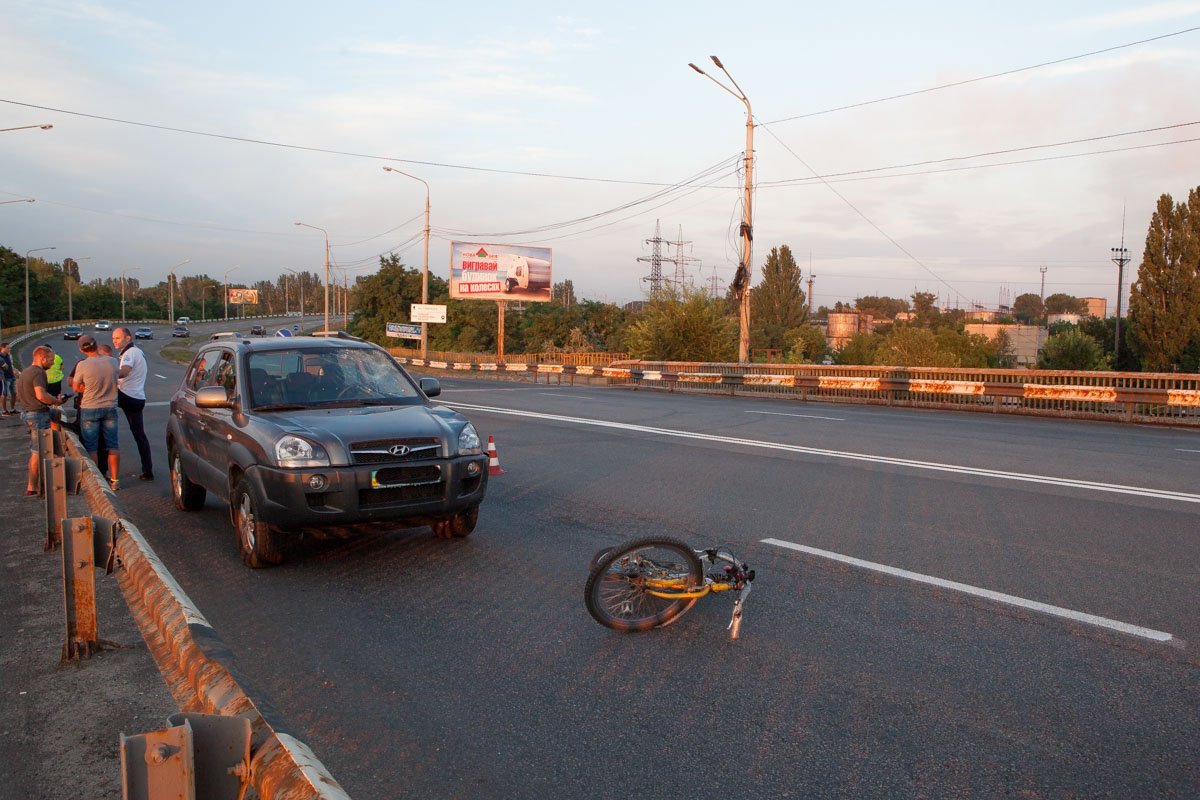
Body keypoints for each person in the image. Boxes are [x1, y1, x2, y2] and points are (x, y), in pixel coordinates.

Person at [16, 345, 69, 496]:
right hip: (37, 415)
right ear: (42, 358)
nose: (53, 364)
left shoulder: (26, 371)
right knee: (38, 451)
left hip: (28, 412)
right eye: (51, 360)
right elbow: (41, 396)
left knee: (56, 415)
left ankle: (58, 448)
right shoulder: (39, 373)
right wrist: (56, 401)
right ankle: (33, 487)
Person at [72, 334, 121, 490]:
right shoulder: (113, 361)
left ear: (81, 349)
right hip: (110, 408)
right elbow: (116, 378)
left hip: (90, 408)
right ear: (96, 345)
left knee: (92, 447)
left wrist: (86, 389)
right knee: (112, 445)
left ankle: (97, 482)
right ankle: (115, 481)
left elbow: (75, 387)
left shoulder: (83, 365)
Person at [112, 327, 153, 480]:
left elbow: (125, 372)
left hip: (127, 396)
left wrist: (107, 372)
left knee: (97, 399)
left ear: (128, 338)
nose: (114, 341)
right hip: (137, 397)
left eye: (117, 338)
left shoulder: (130, 353)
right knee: (139, 435)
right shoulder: (135, 352)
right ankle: (148, 470)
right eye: (113, 338)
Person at [0, 342, 17, 415]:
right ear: (2, 348)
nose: (9, 349)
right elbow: (5, 367)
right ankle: (4, 411)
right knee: (4, 394)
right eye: (7, 348)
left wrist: (15, 372)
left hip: (11, 376)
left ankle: (12, 409)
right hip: (4, 378)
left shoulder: (8, 355)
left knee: (14, 393)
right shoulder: (0, 357)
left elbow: (10, 365)